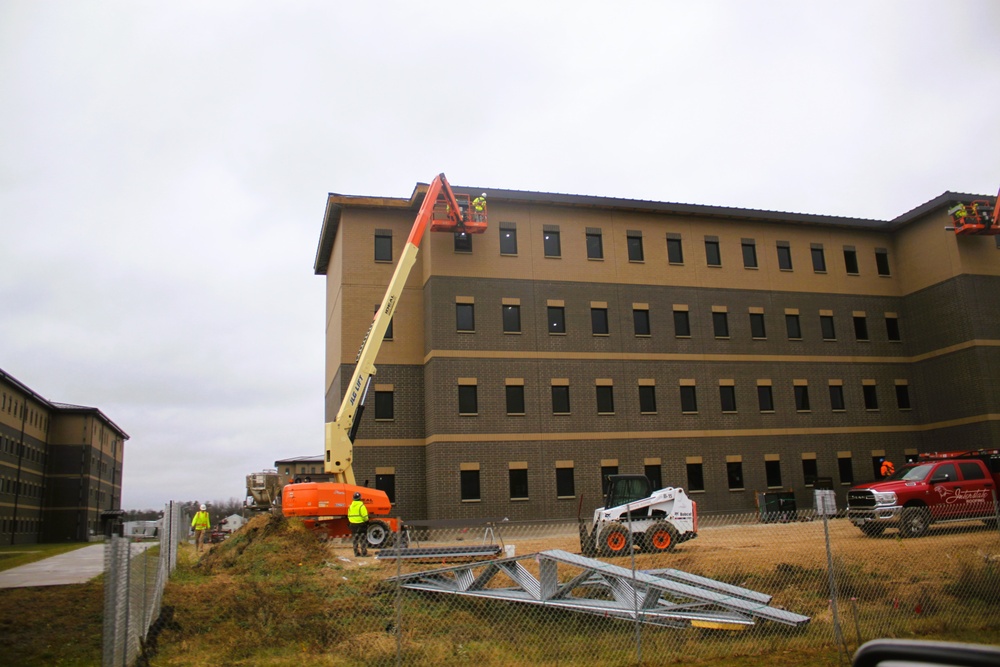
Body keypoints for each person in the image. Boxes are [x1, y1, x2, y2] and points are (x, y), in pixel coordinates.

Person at [347, 491, 369, 556]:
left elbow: (349, 515)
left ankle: (356, 553)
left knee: (355, 540)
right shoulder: (361, 506)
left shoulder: (350, 506)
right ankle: (364, 553)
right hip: (361, 524)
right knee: (363, 539)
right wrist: (367, 522)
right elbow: (365, 516)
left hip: (353, 524)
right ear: (360, 498)